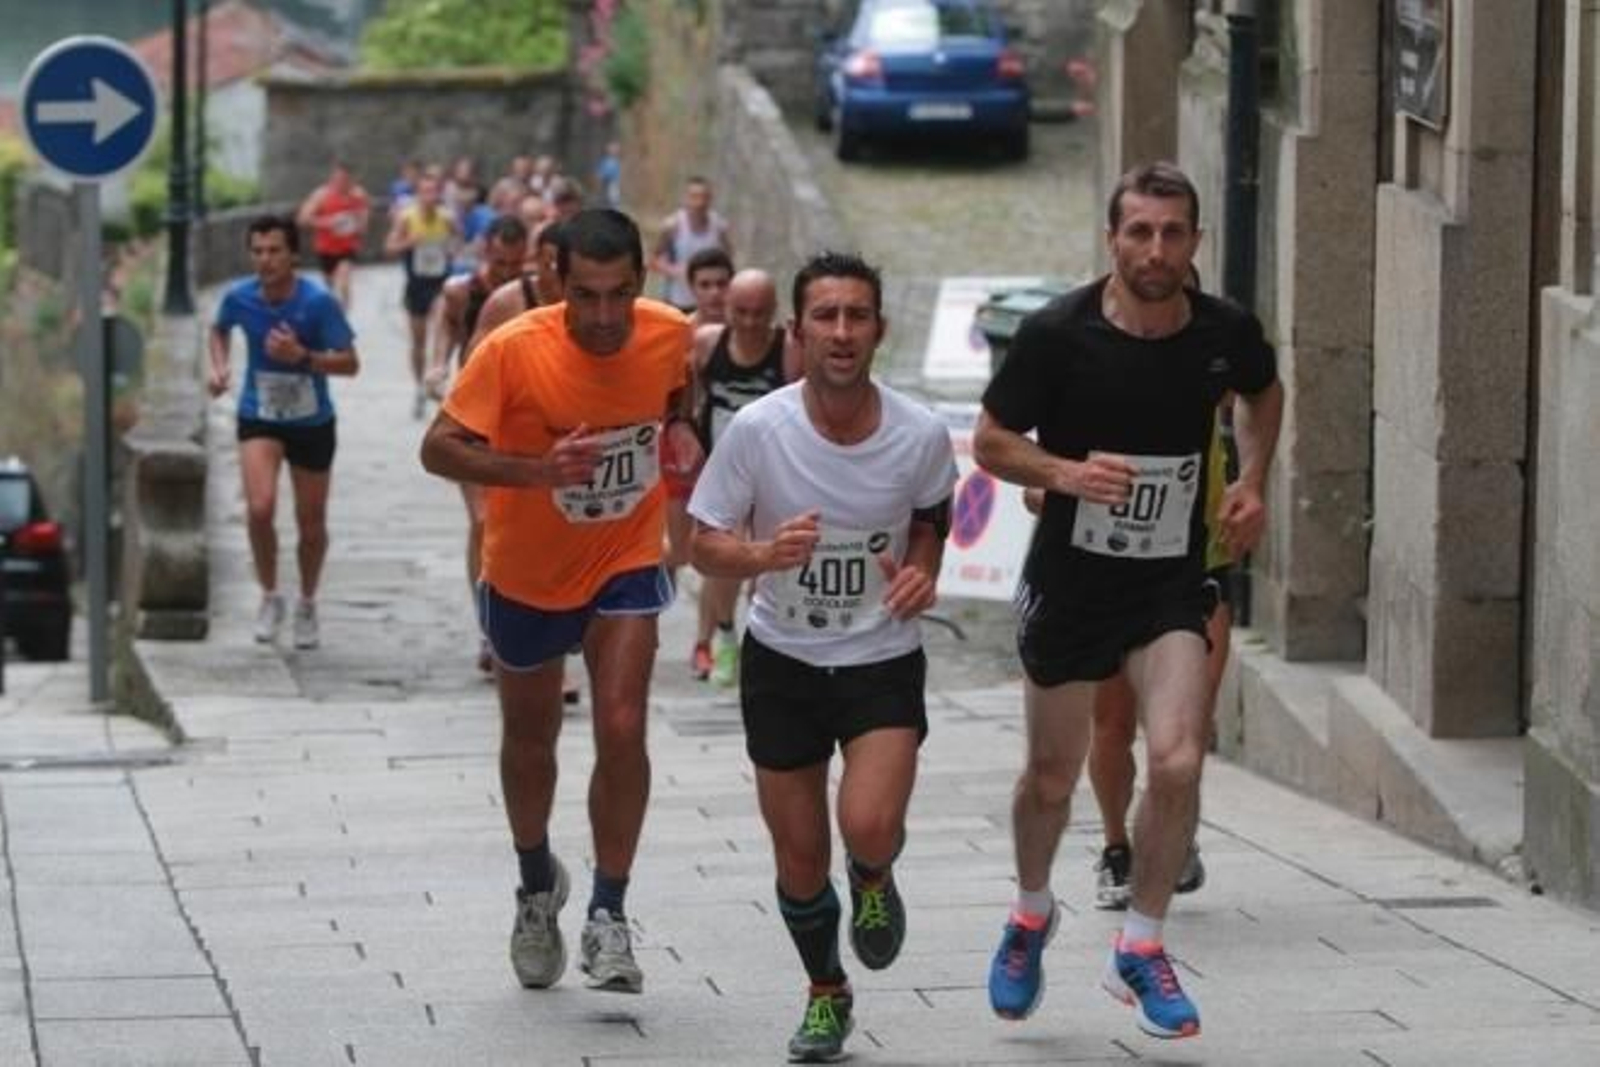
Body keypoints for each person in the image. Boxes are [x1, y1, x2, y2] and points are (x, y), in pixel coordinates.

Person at [974, 162, 1282, 1040]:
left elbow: (1264, 389)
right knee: (1049, 777)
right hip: (1071, 584)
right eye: (1139, 232)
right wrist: (1067, 472)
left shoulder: (1223, 333)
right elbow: (992, 440)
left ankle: (1141, 944)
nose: (1156, 250)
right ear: (1112, 237)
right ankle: (1031, 913)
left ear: (1194, 241)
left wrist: (1254, 480)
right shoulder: (1056, 334)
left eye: (1173, 233)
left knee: (1179, 758)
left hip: (1169, 581)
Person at [419, 208, 699, 997]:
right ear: (556, 282)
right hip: (528, 570)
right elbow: (438, 447)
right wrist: (539, 471)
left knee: (620, 720)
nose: (605, 317)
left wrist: (682, 434)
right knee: (531, 737)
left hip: (627, 554)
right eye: (586, 296)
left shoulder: (670, 332)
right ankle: (536, 881)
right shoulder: (511, 348)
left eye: (619, 295)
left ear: (642, 281)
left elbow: (680, 399)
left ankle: (609, 912)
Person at [689, 251, 957, 1064]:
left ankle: (873, 878)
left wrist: (922, 571)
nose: (842, 332)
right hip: (784, 661)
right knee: (801, 857)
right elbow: (702, 544)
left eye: (858, 316)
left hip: (879, 656)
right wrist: (765, 554)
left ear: (879, 328)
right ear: (796, 331)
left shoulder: (917, 433)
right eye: (826, 316)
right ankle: (826, 990)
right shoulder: (759, 430)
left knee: (867, 825)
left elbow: (930, 518)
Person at [208, 214, 360, 651]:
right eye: (257, 251)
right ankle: (270, 595)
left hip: (312, 421)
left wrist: (303, 356)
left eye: (274, 251)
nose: (265, 260)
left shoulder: (318, 303)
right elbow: (218, 330)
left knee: (310, 524)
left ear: (293, 254)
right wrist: (220, 368)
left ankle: (307, 602)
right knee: (259, 508)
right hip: (260, 413)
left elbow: (350, 363)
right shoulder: (239, 297)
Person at [426, 214, 534, 668]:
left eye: (516, 263)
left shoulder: (533, 294)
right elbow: (445, 335)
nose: (507, 272)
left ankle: (524, 613)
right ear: (484, 252)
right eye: (499, 262)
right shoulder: (461, 291)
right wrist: (436, 368)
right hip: (473, 420)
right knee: (483, 522)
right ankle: (490, 627)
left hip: (521, 425)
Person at [687, 268, 801, 686]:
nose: (750, 322)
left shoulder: (787, 349)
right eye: (741, 312)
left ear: (774, 312)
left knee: (764, 560)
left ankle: (757, 640)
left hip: (774, 471)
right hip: (721, 468)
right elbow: (689, 395)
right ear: (726, 310)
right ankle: (723, 634)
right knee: (721, 554)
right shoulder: (705, 342)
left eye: (759, 313)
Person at [661, 246, 736, 583]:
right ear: (691, 288)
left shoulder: (750, 333)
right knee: (678, 552)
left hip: (730, 449)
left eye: (721, 284)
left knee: (726, 545)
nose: (714, 293)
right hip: (681, 443)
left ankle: (716, 627)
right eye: (705, 285)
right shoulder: (679, 333)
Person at [384, 175, 458, 420]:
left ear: (439, 194)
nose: (429, 197)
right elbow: (389, 247)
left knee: (439, 323)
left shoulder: (447, 218)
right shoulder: (407, 217)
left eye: (433, 192)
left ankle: (436, 379)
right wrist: (408, 242)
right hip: (416, 285)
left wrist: (452, 247)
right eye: (424, 192)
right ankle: (419, 387)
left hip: (439, 283)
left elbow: (461, 241)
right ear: (418, 194)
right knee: (418, 342)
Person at [651, 175, 733, 313]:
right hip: (679, 300)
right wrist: (675, 271)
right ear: (685, 199)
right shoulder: (673, 225)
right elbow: (653, 260)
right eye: (694, 197)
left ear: (710, 199)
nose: (699, 202)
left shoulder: (719, 227)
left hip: (711, 301)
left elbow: (729, 259)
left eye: (704, 197)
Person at [296, 161, 370, 309]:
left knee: (343, 280)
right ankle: (334, 311)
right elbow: (302, 219)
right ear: (333, 178)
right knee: (330, 287)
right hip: (326, 249)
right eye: (339, 179)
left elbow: (363, 226)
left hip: (348, 248)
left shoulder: (359, 196)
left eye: (346, 180)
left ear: (352, 180)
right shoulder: (321, 195)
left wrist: (354, 224)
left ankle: (343, 314)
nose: (342, 184)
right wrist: (327, 223)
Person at [595, 141, 622, 209]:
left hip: (612, 183)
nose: (613, 151)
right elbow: (599, 172)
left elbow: (616, 173)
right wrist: (600, 177)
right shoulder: (604, 161)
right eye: (611, 149)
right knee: (604, 199)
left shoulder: (615, 162)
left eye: (614, 150)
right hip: (604, 183)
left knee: (613, 199)